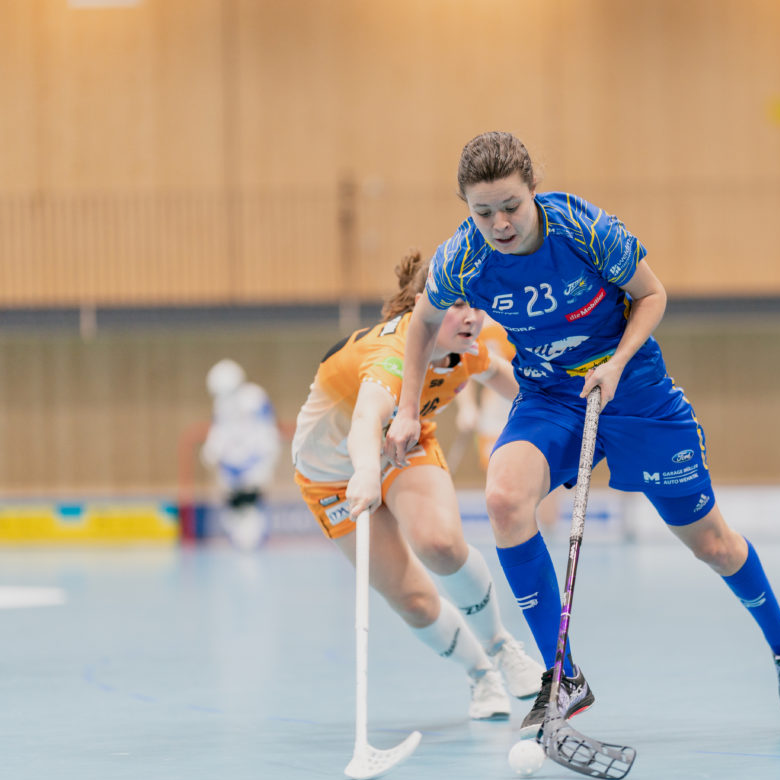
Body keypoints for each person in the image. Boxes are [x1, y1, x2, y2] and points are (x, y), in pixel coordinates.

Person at [385, 131, 780, 736]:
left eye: (510, 205)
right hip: (550, 394)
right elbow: (422, 323)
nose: (500, 223)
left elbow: (651, 294)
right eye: (482, 212)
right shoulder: (462, 257)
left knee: (714, 545)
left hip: (632, 386)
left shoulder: (581, 229)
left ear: (532, 192)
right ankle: (561, 675)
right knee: (505, 500)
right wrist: (408, 409)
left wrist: (615, 364)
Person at [291, 251, 543, 721]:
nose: (471, 317)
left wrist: (562, 409)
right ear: (426, 305)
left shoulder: (463, 350)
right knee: (411, 598)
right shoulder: (389, 355)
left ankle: (502, 647)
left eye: (476, 304)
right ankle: (480, 674)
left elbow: (501, 376)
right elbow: (364, 421)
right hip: (332, 475)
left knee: (440, 544)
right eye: (457, 305)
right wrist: (365, 472)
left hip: (402, 446)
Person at [451, 315, 563, 537]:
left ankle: (547, 539)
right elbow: (463, 367)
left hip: (538, 409)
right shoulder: (477, 321)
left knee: (546, 483)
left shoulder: (537, 315)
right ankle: (514, 538)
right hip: (495, 416)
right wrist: (467, 406)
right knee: (502, 487)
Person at [200, 359, 281, 551]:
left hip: (253, 461)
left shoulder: (254, 397)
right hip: (230, 464)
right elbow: (220, 430)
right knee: (233, 505)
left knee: (251, 502)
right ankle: (239, 539)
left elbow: (266, 429)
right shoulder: (220, 404)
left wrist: (266, 457)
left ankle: (254, 539)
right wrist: (212, 449)